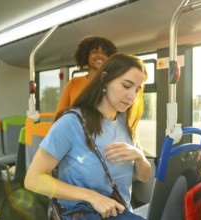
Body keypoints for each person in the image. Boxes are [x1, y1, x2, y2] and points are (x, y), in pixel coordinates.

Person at [25, 53, 151, 219]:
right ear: (105, 79)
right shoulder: (71, 122)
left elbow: (143, 177)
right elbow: (33, 179)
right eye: (126, 86)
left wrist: (140, 157)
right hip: (80, 214)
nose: (132, 96)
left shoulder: (126, 124)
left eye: (137, 90)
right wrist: (92, 197)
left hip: (121, 213)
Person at [55, 35, 117, 115]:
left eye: (105, 53)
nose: (100, 56)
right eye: (95, 52)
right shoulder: (73, 83)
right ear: (85, 56)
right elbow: (60, 113)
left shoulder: (113, 83)